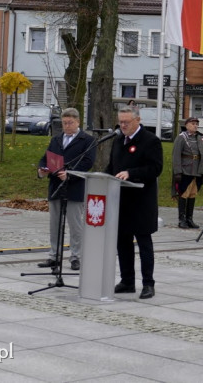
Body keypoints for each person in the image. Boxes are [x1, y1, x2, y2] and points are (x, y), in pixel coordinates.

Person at [108, 105, 163, 299]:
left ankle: (148, 283)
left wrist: (131, 173)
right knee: (122, 243)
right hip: (120, 202)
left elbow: (155, 168)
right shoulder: (117, 141)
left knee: (144, 243)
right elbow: (111, 167)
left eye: (126, 122)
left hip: (141, 202)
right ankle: (127, 281)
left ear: (138, 120)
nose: (122, 125)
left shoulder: (151, 141)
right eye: (120, 122)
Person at [36, 108, 96, 270]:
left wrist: (69, 174)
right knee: (55, 223)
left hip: (75, 187)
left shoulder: (87, 140)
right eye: (64, 123)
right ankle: (54, 255)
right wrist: (42, 169)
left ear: (78, 122)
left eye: (70, 123)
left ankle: (76, 256)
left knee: (75, 224)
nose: (67, 126)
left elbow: (87, 163)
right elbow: (45, 158)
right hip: (56, 186)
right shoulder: (56, 139)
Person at [171, 117, 203, 229]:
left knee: (192, 194)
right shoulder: (181, 138)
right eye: (193, 124)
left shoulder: (200, 138)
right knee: (184, 194)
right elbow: (176, 156)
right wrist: (178, 172)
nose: (195, 126)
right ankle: (182, 219)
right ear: (187, 125)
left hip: (197, 170)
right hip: (185, 170)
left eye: (196, 124)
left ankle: (189, 218)